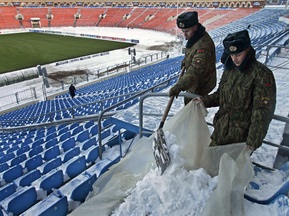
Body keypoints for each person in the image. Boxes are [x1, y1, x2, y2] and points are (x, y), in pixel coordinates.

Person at [194, 29, 276, 153]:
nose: (234, 59)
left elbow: (262, 112)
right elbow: (221, 95)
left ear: (247, 50)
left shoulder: (262, 74)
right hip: (221, 131)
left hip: (240, 139)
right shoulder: (230, 70)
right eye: (232, 55)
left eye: (238, 54)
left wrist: (253, 142)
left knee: (231, 171)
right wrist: (203, 100)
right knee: (210, 166)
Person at [169, 11, 216, 105]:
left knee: (192, 109)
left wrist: (179, 86)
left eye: (187, 31)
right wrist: (186, 61)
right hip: (195, 83)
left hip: (201, 84)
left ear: (195, 27)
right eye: (183, 31)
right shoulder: (195, 37)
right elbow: (191, 53)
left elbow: (196, 71)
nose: (185, 34)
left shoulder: (203, 46)